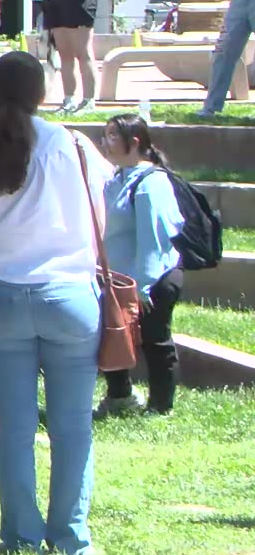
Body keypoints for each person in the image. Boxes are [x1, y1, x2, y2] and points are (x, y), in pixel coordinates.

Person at [0, 50, 104, 555]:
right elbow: (100, 224)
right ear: (42, 92)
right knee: (73, 426)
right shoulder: (76, 146)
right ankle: (71, 537)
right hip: (70, 294)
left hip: (0, 297)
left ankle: (21, 536)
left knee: (14, 426)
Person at [98, 114, 185, 417]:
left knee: (155, 341)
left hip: (153, 281)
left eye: (111, 136)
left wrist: (143, 287)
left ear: (133, 143)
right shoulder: (117, 178)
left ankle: (161, 406)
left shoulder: (152, 183)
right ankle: (120, 396)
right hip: (118, 280)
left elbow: (154, 241)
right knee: (113, 336)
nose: (105, 143)